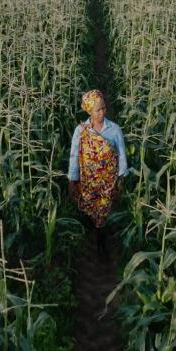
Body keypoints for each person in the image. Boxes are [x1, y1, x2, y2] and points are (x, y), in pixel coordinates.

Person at [68, 89, 128, 261]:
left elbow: (121, 155)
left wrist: (120, 179)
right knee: (90, 211)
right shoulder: (80, 131)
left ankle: (102, 245)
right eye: (98, 110)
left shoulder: (114, 130)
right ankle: (92, 239)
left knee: (103, 214)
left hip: (108, 182)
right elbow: (74, 156)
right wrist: (73, 180)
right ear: (89, 111)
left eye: (103, 108)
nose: (102, 112)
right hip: (88, 182)